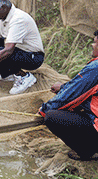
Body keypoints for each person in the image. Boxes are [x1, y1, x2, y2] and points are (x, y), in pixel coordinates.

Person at [39, 30, 98, 161]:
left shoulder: (96, 67)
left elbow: (69, 95)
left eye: (95, 43)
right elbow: (81, 86)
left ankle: (86, 151)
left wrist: (44, 110)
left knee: (52, 117)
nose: (92, 46)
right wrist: (63, 87)